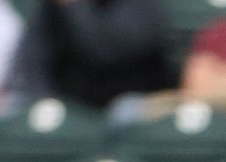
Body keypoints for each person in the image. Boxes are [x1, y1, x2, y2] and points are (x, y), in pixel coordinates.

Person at [12, 0, 175, 116]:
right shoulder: (51, 7)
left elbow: (106, 52)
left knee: (124, 112)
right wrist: (44, 101)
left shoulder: (142, 5)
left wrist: (75, 7)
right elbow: (32, 60)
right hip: (69, 103)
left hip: (131, 103)